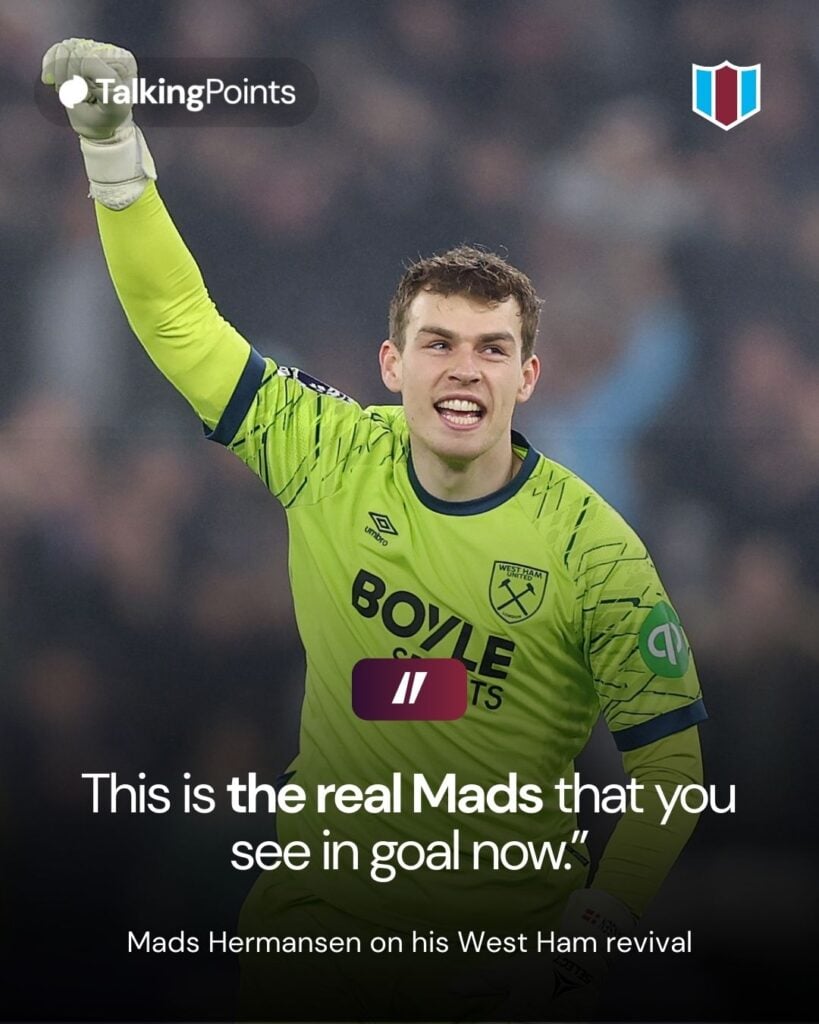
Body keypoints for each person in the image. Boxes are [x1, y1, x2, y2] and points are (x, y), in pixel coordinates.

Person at [42, 38, 707, 1022]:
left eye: (492, 350)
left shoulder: (592, 544)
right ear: (392, 365)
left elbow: (672, 769)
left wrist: (593, 935)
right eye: (437, 343)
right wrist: (112, 148)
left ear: (529, 377)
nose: (463, 371)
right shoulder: (325, 448)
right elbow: (180, 320)